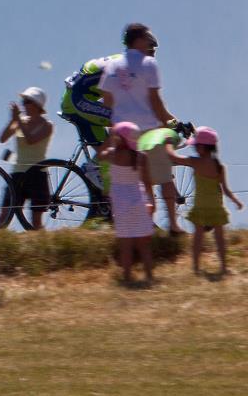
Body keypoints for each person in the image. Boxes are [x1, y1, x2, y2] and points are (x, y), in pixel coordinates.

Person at [101, 23, 182, 234]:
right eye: (147, 38)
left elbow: (107, 100)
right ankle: (173, 224)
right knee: (164, 177)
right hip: (148, 130)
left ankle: (143, 225)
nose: (150, 42)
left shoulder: (112, 65)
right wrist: (168, 123)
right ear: (138, 40)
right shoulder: (148, 64)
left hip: (122, 133)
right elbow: (156, 100)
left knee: (135, 180)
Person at [171, 127, 241, 276]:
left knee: (197, 239)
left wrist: (167, 144)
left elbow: (174, 158)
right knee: (220, 239)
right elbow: (226, 190)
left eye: (196, 145)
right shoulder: (219, 167)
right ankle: (223, 267)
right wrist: (236, 202)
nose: (194, 148)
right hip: (216, 207)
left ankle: (196, 268)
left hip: (201, 207)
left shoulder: (195, 162)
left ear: (203, 147)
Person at [104, 120, 156, 286]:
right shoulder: (141, 157)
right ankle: (149, 275)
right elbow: (148, 182)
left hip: (120, 205)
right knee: (143, 244)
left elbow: (100, 155)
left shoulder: (112, 154)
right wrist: (152, 201)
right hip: (138, 202)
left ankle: (127, 276)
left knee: (125, 244)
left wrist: (110, 139)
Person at [0, 87, 55, 230]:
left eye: (27, 101)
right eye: (23, 101)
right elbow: (2, 138)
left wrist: (17, 119)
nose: (23, 104)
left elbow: (31, 139)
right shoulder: (20, 121)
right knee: (3, 216)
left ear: (37, 105)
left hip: (38, 174)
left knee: (36, 221)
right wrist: (13, 120)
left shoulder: (47, 125)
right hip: (18, 173)